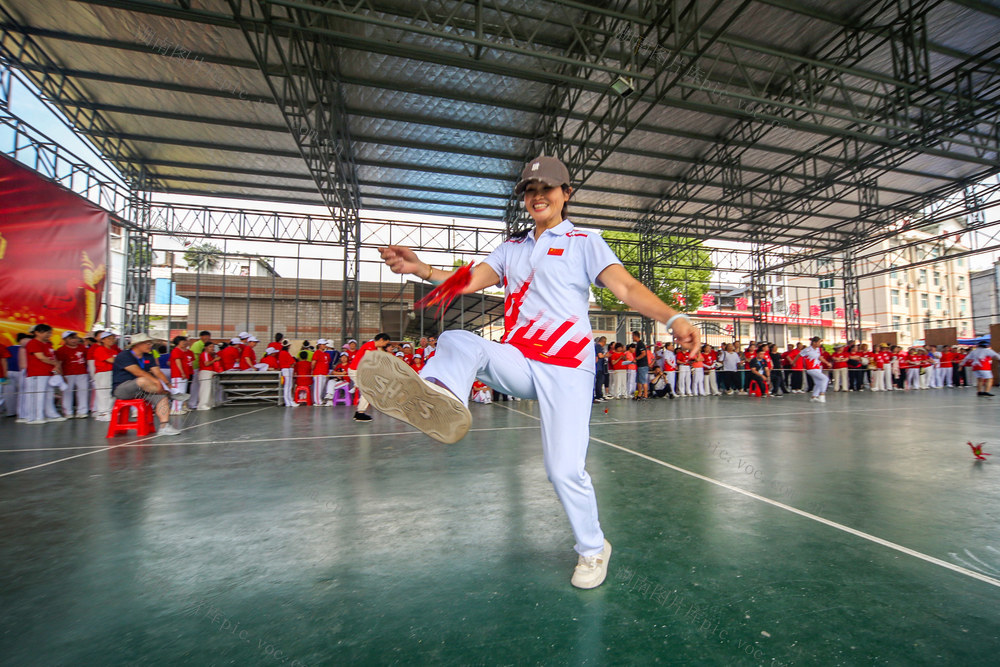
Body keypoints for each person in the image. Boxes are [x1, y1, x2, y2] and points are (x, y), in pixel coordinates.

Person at [363, 155, 700, 589]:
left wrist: (674, 319)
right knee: (456, 339)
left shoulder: (584, 240)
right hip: (521, 359)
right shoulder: (511, 249)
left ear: (566, 194)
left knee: (563, 470)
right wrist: (421, 269)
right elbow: (466, 280)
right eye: (529, 190)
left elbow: (627, 288)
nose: (537, 196)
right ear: (524, 197)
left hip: (569, 367)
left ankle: (593, 549)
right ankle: (440, 395)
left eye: (547, 189)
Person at [111, 333, 188, 435]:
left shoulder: (149, 355)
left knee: (162, 398)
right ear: (137, 344)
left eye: (150, 343)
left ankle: (164, 426)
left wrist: (168, 384)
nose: (150, 345)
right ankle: (170, 394)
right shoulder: (124, 355)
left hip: (142, 390)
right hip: (123, 389)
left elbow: (157, 371)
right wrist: (156, 382)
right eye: (147, 343)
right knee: (142, 380)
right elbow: (138, 372)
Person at [21, 324, 65, 424]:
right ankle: (35, 417)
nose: (48, 334)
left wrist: (56, 367)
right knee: (37, 395)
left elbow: (52, 356)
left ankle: (50, 414)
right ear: (37, 333)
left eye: (49, 332)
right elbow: (40, 357)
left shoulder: (48, 343)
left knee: (49, 395)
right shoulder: (33, 343)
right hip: (36, 374)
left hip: (48, 373)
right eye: (46, 332)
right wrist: (55, 363)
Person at [346, 333, 391, 421]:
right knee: (368, 391)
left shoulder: (374, 347)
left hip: (358, 371)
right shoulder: (370, 346)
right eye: (386, 342)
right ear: (381, 340)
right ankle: (360, 413)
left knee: (368, 392)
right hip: (356, 371)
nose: (386, 345)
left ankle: (359, 413)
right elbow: (367, 361)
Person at [55, 331, 89, 418]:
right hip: (68, 374)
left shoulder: (82, 348)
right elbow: (58, 364)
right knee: (67, 393)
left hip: (82, 373)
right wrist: (62, 376)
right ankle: (68, 412)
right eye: (71, 338)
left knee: (83, 391)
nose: (74, 340)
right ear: (65, 340)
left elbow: (87, 360)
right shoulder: (61, 350)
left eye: (75, 338)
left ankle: (82, 411)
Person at [91, 331, 118, 421]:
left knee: (111, 393)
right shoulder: (100, 349)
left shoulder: (113, 350)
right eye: (109, 338)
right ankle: (103, 413)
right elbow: (110, 360)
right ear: (103, 340)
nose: (112, 340)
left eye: (113, 338)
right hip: (103, 373)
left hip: (112, 372)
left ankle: (108, 411)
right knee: (103, 393)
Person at [187, 330, 213, 409]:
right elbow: (200, 355)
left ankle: (198, 402)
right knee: (195, 386)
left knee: (200, 386)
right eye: (205, 337)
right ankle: (192, 403)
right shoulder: (197, 344)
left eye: (208, 337)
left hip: (201, 367)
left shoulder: (206, 345)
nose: (207, 338)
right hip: (196, 367)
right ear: (201, 337)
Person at [169, 336, 194, 414]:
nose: (184, 343)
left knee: (182, 391)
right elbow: (178, 362)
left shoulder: (183, 351)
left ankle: (178, 408)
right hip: (178, 374)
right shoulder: (176, 351)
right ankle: (175, 409)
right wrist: (182, 372)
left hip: (184, 374)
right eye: (182, 341)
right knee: (178, 391)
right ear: (178, 342)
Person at [802, 337, 830, 403]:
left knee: (818, 383)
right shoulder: (808, 350)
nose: (820, 343)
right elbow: (800, 355)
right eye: (819, 342)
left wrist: (826, 362)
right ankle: (822, 394)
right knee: (825, 379)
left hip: (817, 368)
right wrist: (794, 363)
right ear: (814, 342)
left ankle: (814, 396)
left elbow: (819, 357)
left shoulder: (818, 349)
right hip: (811, 369)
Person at [197, 340, 222, 410]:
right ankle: (202, 405)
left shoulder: (210, 355)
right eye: (210, 347)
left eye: (213, 347)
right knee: (205, 389)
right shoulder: (205, 354)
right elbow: (206, 363)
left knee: (209, 389)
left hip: (209, 372)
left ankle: (208, 403)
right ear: (206, 348)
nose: (212, 348)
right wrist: (215, 359)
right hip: (205, 372)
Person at [312, 339, 332, 406]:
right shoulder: (317, 353)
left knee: (322, 388)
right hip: (318, 373)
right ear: (319, 345)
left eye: (325, 344)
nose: (324, 346)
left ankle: (320, 399)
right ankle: (317, 401)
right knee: (318, 388)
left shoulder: (326, 354)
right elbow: (313, 363)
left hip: (324, 373)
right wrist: (313, 370)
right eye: (323, 344)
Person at [278, 340, 297, 407]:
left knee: (288, 386)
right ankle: (288, 401)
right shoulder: (285, 353)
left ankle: (289, 401)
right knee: (288, 386)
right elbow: (292, 362)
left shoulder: (281, 353)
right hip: (286, 369)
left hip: (285, 369)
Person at [631, 331, 648, 400]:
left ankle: (645, 395)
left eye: (633, 336)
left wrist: (636, 359)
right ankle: (639, 394)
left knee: (643, 380)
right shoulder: (638, 344)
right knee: (638, 380)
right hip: (639, 365)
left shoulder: (641, 344)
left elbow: (643, 353)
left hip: (643, 365)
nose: (632, 337)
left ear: (635, 336)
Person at [593, 336, 608, 403]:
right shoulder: (598, 346)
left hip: (599, 367)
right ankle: (599, 395)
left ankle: (599, 395)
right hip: (599, 367)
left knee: (599, 381)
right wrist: (606, 355)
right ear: (603, 341)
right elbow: (600, 355)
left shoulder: (596, 346)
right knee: (599, 381)